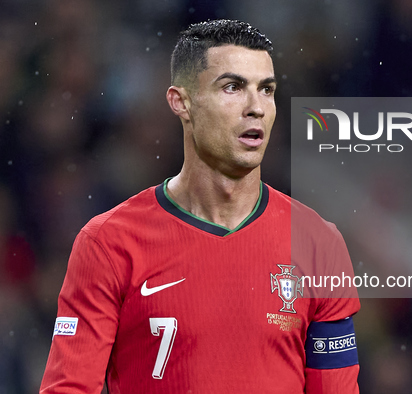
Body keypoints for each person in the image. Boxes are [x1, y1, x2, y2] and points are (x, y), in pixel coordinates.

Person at [40, 19, 360, 393]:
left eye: (267, 90)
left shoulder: (319, 243)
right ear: (182, 102)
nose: (256, 107)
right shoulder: (107, 243)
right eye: (233, 87)